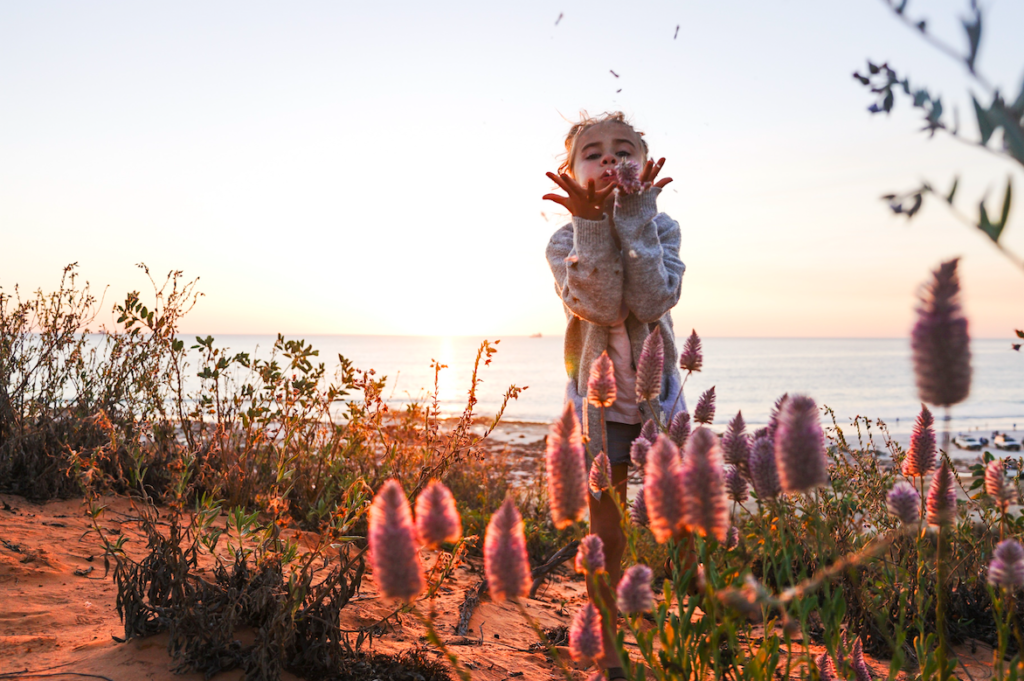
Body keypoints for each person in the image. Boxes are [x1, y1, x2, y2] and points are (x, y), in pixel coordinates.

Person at [543, 111, 686, 680]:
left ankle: (684, 624)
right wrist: (593, 226)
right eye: (593, 152)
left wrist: (633, 217)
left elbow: (653, 300)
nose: (609, 159)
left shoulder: (664, 227)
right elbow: (599, 306)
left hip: (659, 404)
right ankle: (603, 635)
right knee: (606, 530)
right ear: (571, 172)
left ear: (645, 166)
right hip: (598, 412)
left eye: (624, 150)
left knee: (679, 521)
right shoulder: (563, 240)